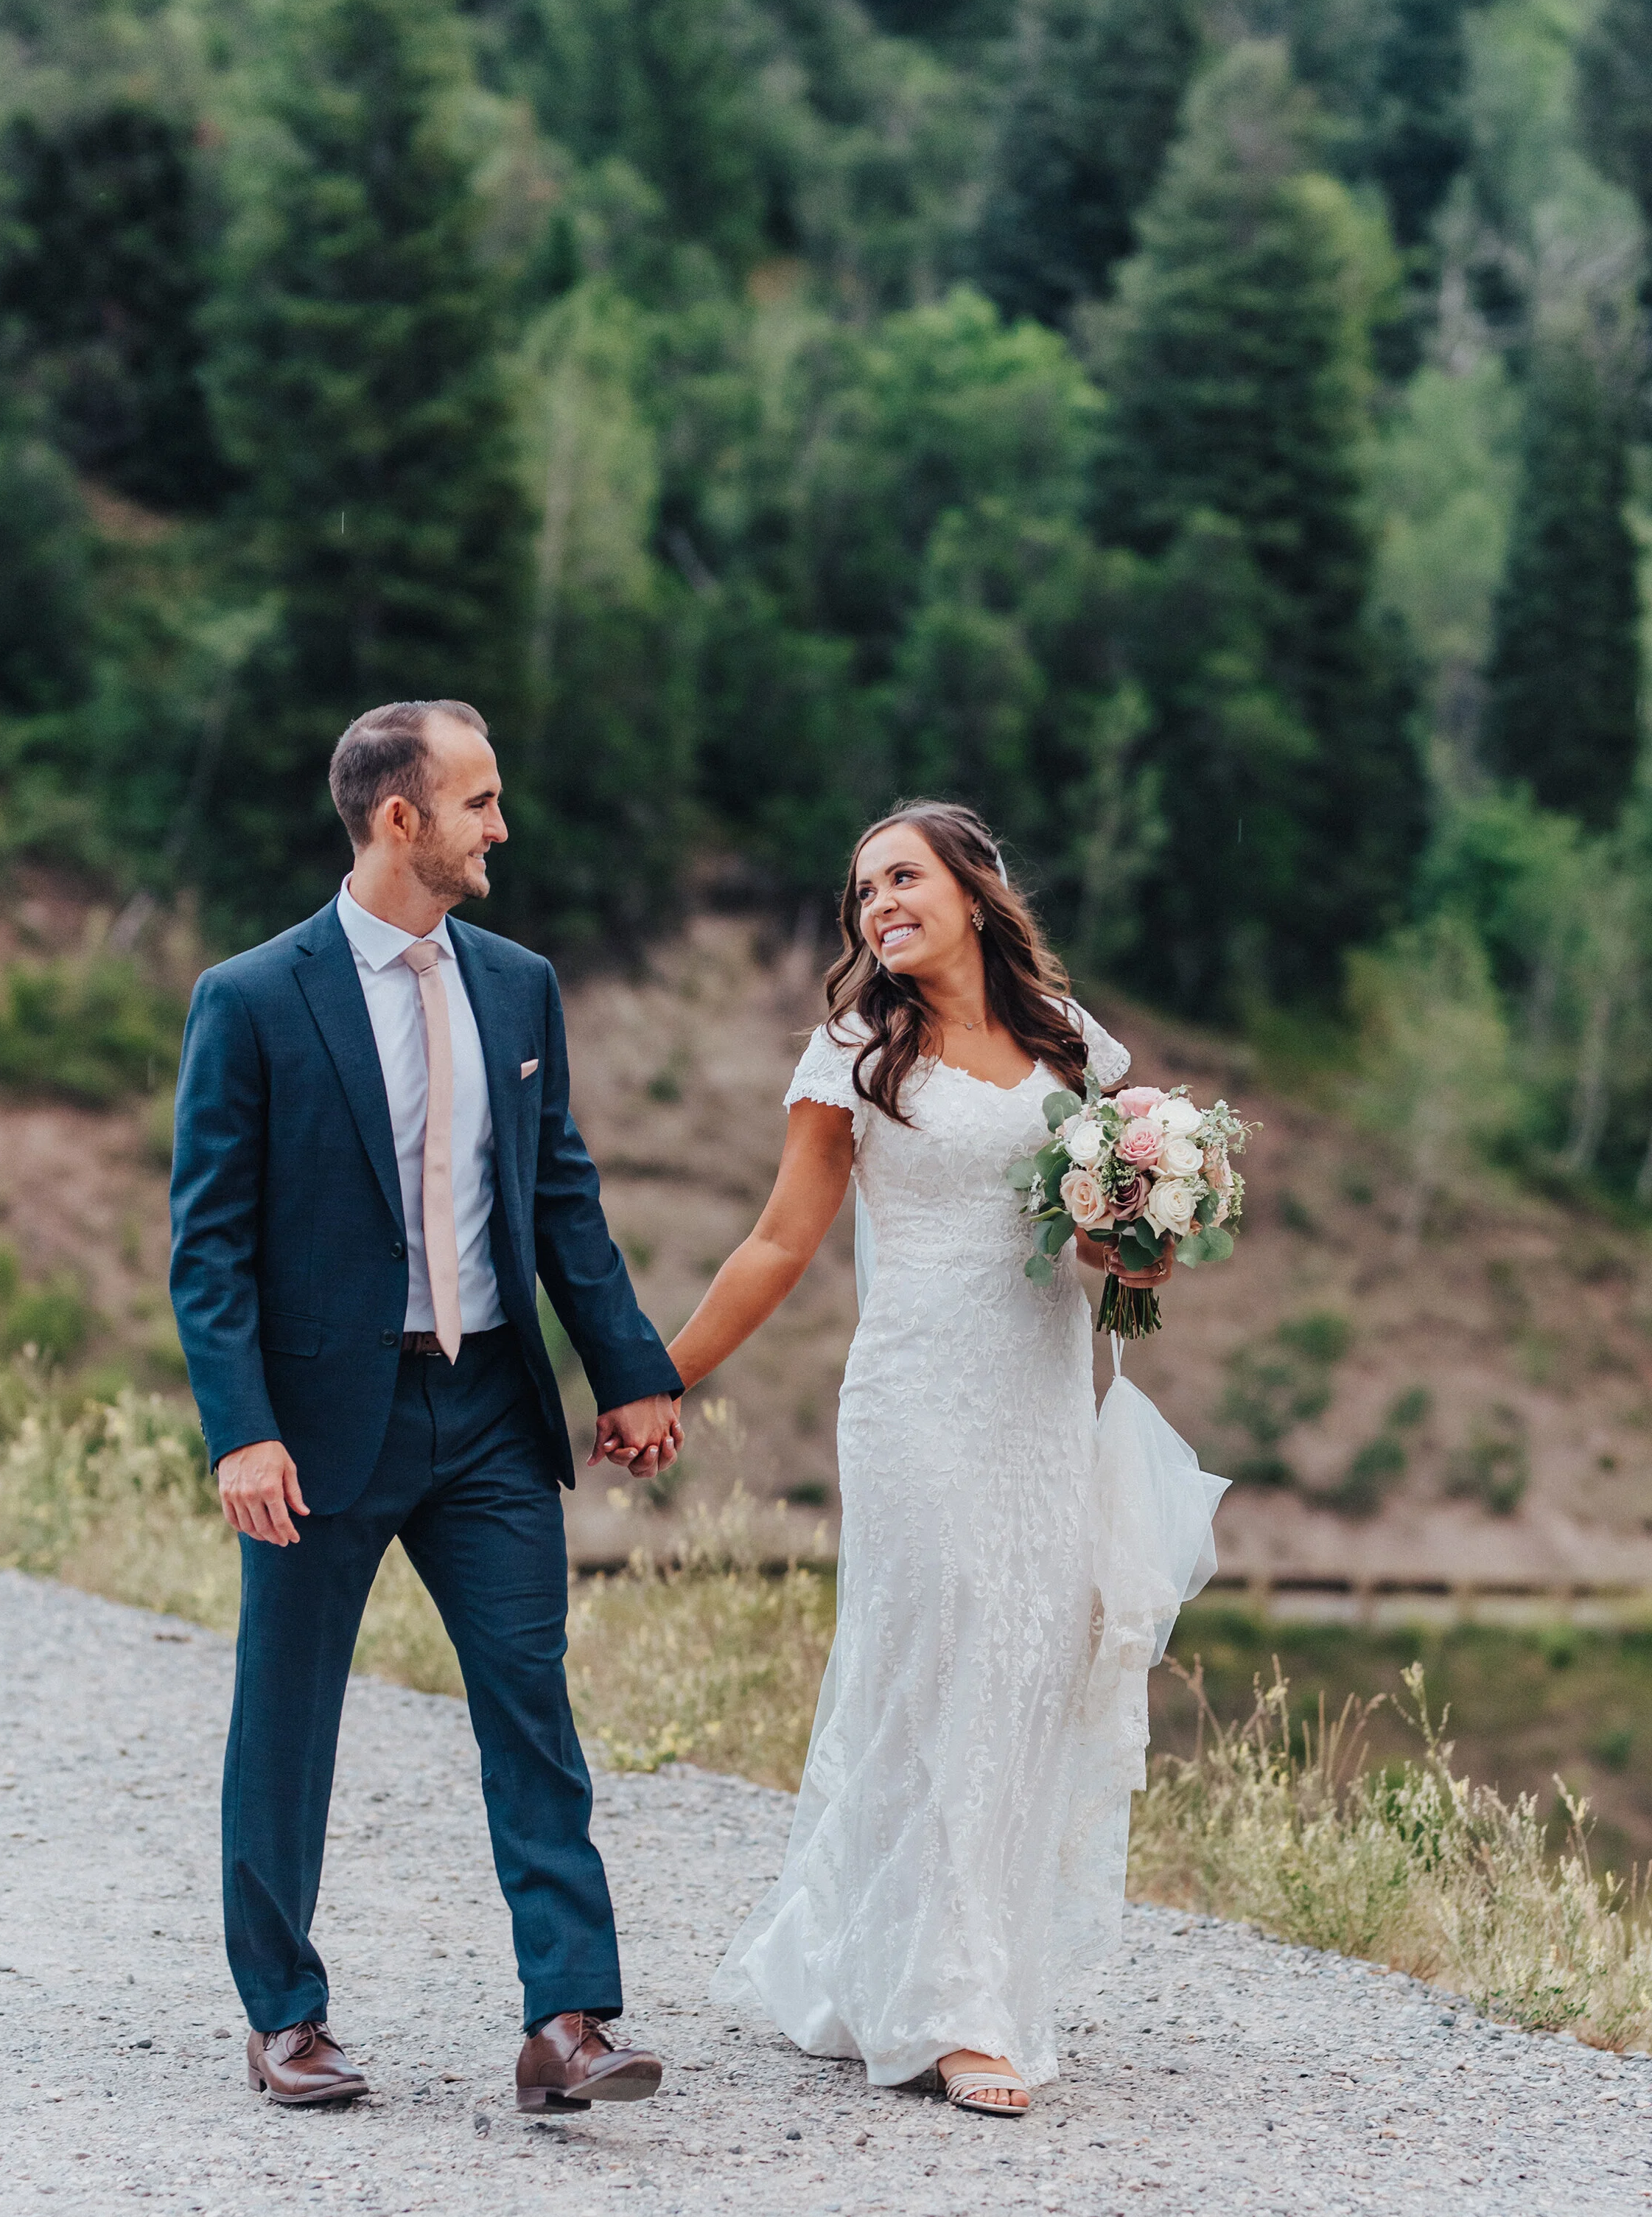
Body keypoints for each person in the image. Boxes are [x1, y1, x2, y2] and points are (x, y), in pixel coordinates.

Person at [169, 699, 683, 2112]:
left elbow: (560, 1193)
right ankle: (287, 2017)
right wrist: (240, 1427)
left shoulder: (518, 985)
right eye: (479, 801)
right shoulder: (255, 998)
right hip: (321, 1430)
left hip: (491, 1416)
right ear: (401, 819)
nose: (500, 825)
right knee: (288, 1716)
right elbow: (206, 1244)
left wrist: (633, 1370)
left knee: (533, 1712)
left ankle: (568, 2021)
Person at [670, 800, 1215, 2118]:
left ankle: (916, 1963)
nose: (878, 905)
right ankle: (954, 2010)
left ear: (974, 890)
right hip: (916, 1403)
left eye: (902, 877)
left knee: (1026, 1666)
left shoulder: (1072, 1049)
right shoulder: (855, 1049)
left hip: (1038, 1405)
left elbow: (1100, 1249)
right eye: (863, 890)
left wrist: (1138, 1233)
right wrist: (659, 1374)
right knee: (937, 1664)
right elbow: (779, 1244)